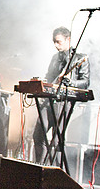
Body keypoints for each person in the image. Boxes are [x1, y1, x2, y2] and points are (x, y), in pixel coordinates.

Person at [32, 26, 90, 164]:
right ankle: (39, 166)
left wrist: (70, 81)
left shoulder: (80, 58)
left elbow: (86, 82)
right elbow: (49, 77)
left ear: (68, 40)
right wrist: (41, 84)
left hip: (64, 101)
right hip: (49, 100)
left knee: (57, 139)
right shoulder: (54, 58)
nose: (56, 45)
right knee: (38, 134)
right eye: (54, 42)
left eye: (59, 42)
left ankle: (55, 170)